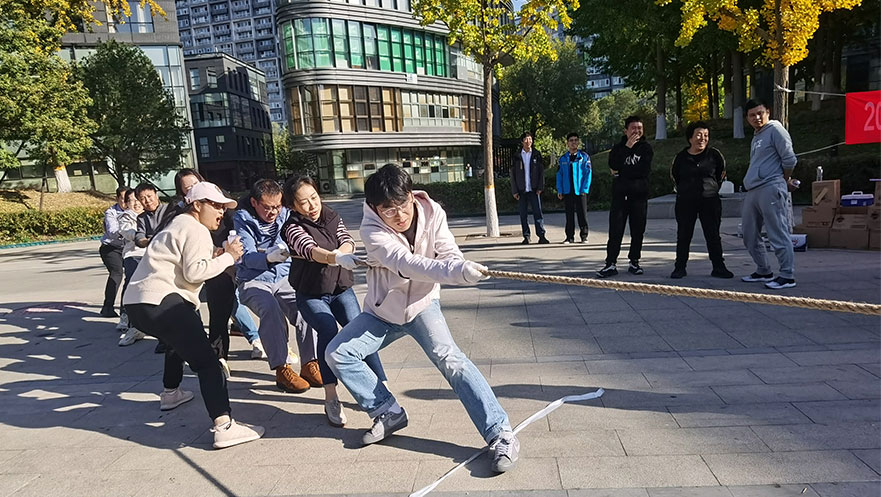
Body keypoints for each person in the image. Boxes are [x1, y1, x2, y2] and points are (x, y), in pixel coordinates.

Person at [326, 164, 520, 474]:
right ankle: (387, 411)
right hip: (382, 311)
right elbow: (406, 264)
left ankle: (500, 433)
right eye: (388, 210)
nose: (399, 215)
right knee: (339, 353)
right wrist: (455, 273)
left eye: (403, 204)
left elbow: (447, 252)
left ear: (412, 195)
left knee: (451, 360)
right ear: (375, 208)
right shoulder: (371, 230)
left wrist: (460, 266)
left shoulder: (433, 212)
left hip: (422, 305)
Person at [123, 182, 264, 449]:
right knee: (208, 363)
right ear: (196, 205)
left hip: (138, 304)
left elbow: (186, 261)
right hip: (165, 300)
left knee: (178, 342)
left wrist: (216, 255)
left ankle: (170, 392)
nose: (221, 211)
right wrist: (229, 257)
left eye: (223, 207)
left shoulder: (176, 224)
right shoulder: (195, 227)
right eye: (216, 205)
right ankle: (224, 426)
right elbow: (195, 273)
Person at [281, 175, 387, 427]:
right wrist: (335, 258)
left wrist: (344, 252)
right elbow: (310, 250)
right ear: (293, 206)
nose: (312, 205)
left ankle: (381, 385)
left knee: (360, 329)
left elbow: (346, 239)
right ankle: (331, 396)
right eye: (304, 202)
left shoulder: (331, 215)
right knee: (328, 330)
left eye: (314, 198)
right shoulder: (292, 228)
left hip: (340, 289)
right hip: (311, 294)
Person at [234, 179, 320, 393]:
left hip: (284, 276)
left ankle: (310, 363)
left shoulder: (286, 214)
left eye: (277, 206)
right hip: (253, 279)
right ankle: (282, 368)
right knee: (270, 309)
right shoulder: (242, 219)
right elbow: (247, 256)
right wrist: (268, 257)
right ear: (254, 202)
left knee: (306, 307)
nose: (273, 212)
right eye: (267, 207)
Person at [741, 99, 798, 289]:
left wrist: (783, 179)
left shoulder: (775, 130)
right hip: (753, 189)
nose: (757, 118)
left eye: (760, 113)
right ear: (747, 118)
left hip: (771, 186)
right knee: (749, 233)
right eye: (752, 115)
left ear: (768, 112)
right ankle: (763, 270)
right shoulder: (757, 136)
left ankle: (787, 275)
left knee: (777, 232)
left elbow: (789, 159)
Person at [669, 122, 734, 279]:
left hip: (710, 200)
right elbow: (675, 176)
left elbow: (720, 174)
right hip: (686, 201)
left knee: (713, 234)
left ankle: (719, 267)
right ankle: (680, 267)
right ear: (690, 138)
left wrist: (711, 188)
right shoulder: (680, 157)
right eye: (698, 135)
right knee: (684, 235)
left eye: (706, 135)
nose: (702, 139)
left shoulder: (714, 155)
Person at [598, 116, 653, 278]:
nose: (637, 131)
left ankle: (634, 261)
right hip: (620, 197)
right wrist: (627, 148)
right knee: (615, 231)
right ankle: (610, 263)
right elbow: (613, 165)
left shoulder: (646, 148)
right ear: (626, 131)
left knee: (638, 230)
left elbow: (643, 171)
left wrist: (621, 172)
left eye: (639, 128)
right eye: (633, 128)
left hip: (639, 196)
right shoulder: (618, 148)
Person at [117, 188, 147, 346]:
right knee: (133, 286)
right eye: (131, 201)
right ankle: (133, 326)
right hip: (134, 254)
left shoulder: (153, 215)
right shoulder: (126, 217)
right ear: (126, 203)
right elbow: (129, 233)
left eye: (138, 199)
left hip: (154, 254)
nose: (136, 203)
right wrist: (142, 238)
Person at [511, 132, 549, 245]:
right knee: (523, 215)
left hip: (534, 189)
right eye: (526, 139)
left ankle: (541, 236)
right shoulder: (517, 156)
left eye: (530, 139)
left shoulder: (536, 154)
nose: (529, 142)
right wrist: (515, 190)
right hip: (521, 190)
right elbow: (512, 174)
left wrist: (540, 187)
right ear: (522, 141)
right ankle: (526, 236)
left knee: (538, 213)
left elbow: (541, 172)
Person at [98, 186, 127, 317]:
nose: (126, 202)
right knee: (117, 273)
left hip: (129, 248)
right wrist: (127, 231)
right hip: (111, 248)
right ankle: (107, 307)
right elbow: (112, 231)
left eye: (129, 199)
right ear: (117, 199)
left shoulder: (136, 210)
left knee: (132, 275)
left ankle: (126, 309)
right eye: (123, 199)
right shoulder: (111, 212)